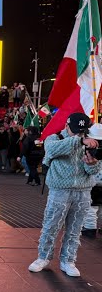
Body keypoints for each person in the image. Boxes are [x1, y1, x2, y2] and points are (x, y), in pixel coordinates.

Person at [28, 113, 101, 277]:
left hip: (83, 192)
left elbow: (93, 171)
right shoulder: (54, 138)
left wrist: (93, 164)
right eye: (75, 130)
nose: (78, 134)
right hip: (59, 191)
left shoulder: (89, 141)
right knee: (51, 226)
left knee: (75, 229)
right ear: (67, 125)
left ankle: (68, 260)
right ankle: (43, 257)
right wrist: (79, 141)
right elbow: (52, 150)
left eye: (82, 131)